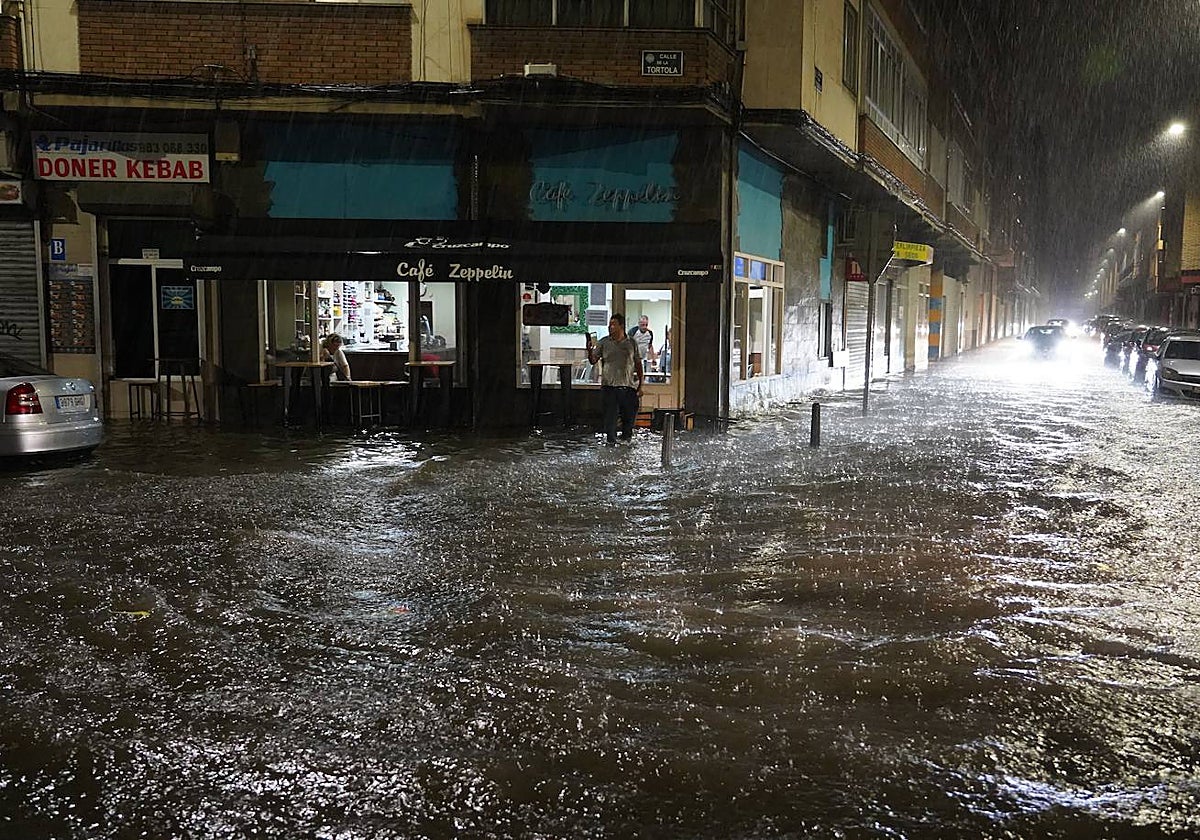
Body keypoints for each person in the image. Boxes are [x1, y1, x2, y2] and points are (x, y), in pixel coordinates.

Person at [586, 314, 643, 444]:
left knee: (628, 423)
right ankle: (611, 447)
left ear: (621, 326)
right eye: (610, 324)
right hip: (609, 388)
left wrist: (640, 385)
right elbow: (593, 360)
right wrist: (589, 350)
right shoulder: (604, 342)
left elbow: (638, 364)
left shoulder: (631, 343)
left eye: (613, 324)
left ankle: (625, 449)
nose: (610, 327)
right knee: (609, 423)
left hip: (627, 387)